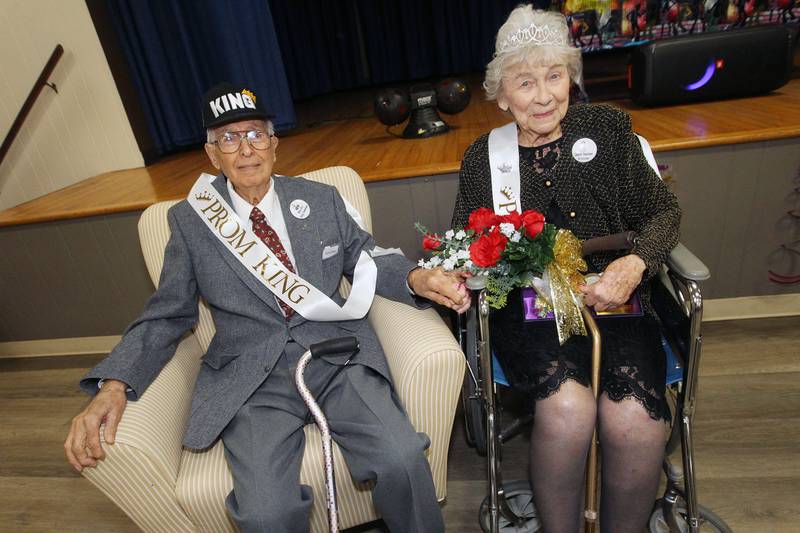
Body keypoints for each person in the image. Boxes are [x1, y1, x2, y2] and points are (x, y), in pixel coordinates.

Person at [65, 82, 470, 533]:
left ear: (274, 144)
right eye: (229, 138)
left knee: (401, 459)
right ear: (212, 154)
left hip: (336, 355)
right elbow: (168, 312)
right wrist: (115, 383)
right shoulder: (190, 221)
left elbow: (367, 259)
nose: (246, 149)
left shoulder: (320, 199)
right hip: (251, 377)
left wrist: (417, 277)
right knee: (265, 514)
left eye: (255, 134)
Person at [452, 7, 680, 533]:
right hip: (530, 307)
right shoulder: (482, 159)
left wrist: (637, 260)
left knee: (637, 421)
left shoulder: (609, 129)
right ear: (503, 95)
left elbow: (664, 212)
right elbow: (467, 247)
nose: (544, 95)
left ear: (571, 78)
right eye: (525, 82)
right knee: (569, 411)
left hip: (615, 294)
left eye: (555, 76)